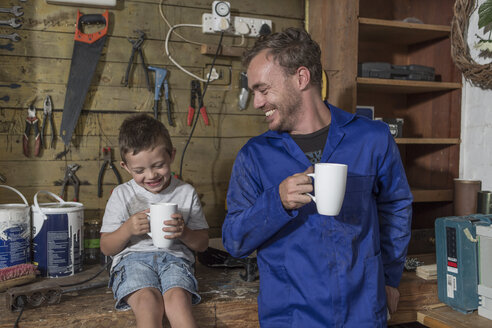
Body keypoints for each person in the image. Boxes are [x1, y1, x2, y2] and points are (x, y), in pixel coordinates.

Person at [222, 27, 413, 327]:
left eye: (263, 89)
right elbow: (234, 240)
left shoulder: (372, 138)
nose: (257, 102)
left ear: (301, 78)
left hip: (362, 312)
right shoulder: (253, 157)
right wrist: (277, 202)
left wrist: (389, 279)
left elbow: (396, 207)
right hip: (291, 316)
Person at [100, 114, 209, 328]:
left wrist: (184, 232)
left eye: (158, 165)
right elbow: (106, 247)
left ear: (171, 156)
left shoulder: (185, 192)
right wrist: (127, 229)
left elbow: (203, 243)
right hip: (133, 261)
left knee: (178, 301)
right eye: (139, 170)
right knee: (148, 302)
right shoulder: (121, 194)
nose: (151, 175)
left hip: (176, 260)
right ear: (125, 166)